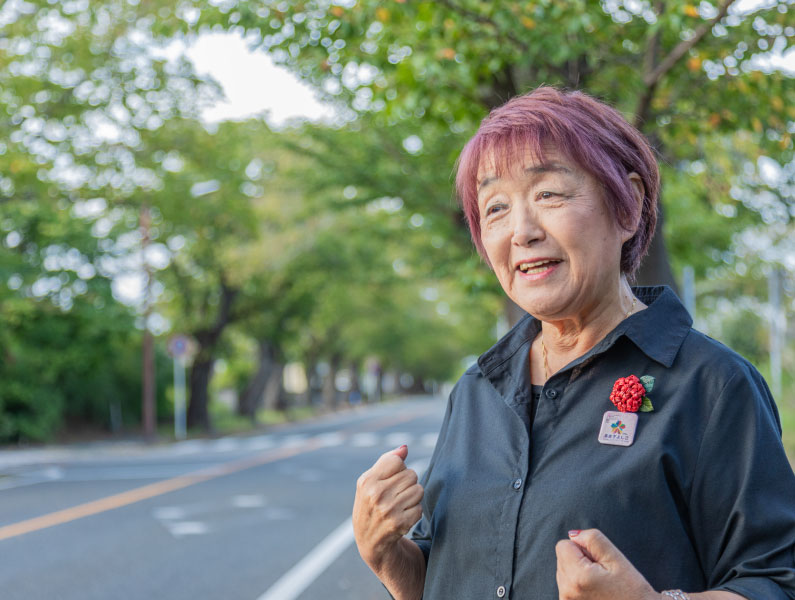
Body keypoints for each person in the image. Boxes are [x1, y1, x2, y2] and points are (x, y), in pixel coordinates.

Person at [352, 86, 795, 600]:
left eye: (549, 195)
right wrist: (386, 554)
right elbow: (445, 578)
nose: (521, 231)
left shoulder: (713, 385)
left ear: (627, 206)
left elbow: (777, 580)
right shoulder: (477, 391)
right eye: (495, 208)